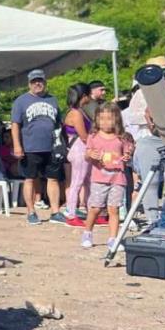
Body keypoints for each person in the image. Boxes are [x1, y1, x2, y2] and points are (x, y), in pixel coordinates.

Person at [10, 69, 66, 225]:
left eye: (40, 80)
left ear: (45, 82)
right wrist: (17, 145)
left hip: (51, 147)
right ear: (29, 83)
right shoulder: (21, 101)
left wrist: (61, 144)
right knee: (29, 179)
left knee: (53, 178)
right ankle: (31, 211)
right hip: (30, 147)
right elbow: (15, 125)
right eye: (34, 81)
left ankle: (55, 211)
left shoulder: (52, 100)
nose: (37, 83)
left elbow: (58, 124)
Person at [80, 103, 133, 249]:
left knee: (113, 209)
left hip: (118, 178)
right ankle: (87, 232)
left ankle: (113, 238)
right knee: (95, 208)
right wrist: (90, 154)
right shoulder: (94, 137)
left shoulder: (122, 137)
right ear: (96, 120)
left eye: (109, 118)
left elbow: (128, 152)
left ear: (117, 119)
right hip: (99, 178)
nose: (105, 122)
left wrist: (127, 156)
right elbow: (87, 155)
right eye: (101, 118)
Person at [63, 84, 93, 227]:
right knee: (77, 182)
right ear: (84, 96)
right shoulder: (76, 113)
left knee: (87, 181)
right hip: (79, 149)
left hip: (80, 149)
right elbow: (83, 136)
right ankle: (71, 214)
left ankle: (89, 211)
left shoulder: (78, 111)